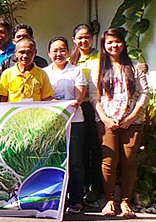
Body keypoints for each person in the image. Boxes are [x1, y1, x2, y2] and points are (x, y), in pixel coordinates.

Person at [89, 29, 149, 218]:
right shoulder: (97, 68)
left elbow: (145, 93)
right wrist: (105, 119)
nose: (114, 46)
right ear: (104, 46)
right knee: (108, 161)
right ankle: (109, 201)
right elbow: (94, 96)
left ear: (123, 43)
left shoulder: (135, 66)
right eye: (109, 43)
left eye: (117, 42)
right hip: (107, 121)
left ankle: (125, 202)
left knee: (129, 161)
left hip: (132, 121)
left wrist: (131, 117)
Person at [43, 37, 87, 214]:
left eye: (62, 50)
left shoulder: (76, 71)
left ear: (68, 52)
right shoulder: (44, 72)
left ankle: (75, 199)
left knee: (75, 162)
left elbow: (79, 96)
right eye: (55, 50)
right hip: (52, 124)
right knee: (54, 161)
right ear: (48, 53)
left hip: (75, 121)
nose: (58, 53)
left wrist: (68, 102)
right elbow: (43, 97)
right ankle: (55, 200)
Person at [69, 24, 104, 206]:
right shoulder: (70, 60)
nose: (83, 40)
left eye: (87, 37)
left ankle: (95, 188)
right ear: (74, 39)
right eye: (79, 37)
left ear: (92, 38)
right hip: (77, 108)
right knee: (79, 151)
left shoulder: (101, 57)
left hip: (96, 107)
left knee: (95, 148)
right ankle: (80, 186)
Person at [0, 24, 48, 95]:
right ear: (13, 41)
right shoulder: (7, 63)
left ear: (32, 38)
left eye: (25, 36)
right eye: (18, 37)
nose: (21, 39)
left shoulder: (41, 63)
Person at [0, 38, 54, 102]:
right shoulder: (7, 74)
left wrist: (64, 104)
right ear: (16, 53)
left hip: (34, 111)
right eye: (21, 52)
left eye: (29, 52)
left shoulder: (42, 74)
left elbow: (46, 98)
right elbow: (2, 99)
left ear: (35, 53)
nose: (25, 56)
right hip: (14, 112)